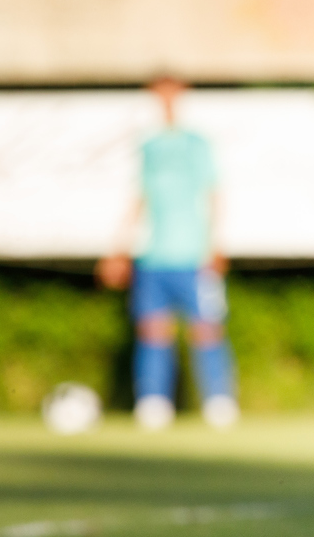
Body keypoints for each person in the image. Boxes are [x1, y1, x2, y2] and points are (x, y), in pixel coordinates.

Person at [96, 75, 237, 431]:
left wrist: (216, 244)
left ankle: (219, 402)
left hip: (193, 254)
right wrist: (119, 249)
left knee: (206, 329)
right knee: (153, 331)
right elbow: (138, 199)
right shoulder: (148, 146)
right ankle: (154, 402)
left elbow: (212, 195)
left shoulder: (197, 143)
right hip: (153, 256)